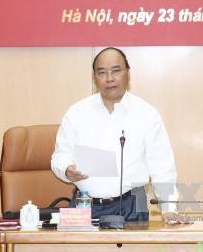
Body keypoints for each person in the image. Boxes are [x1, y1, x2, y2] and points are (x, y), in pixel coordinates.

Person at [51, 47, 183, 224]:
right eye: (102, 72)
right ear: (94, 77)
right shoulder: (76, 113)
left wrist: (169, 208)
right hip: (84, 205)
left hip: (132, 205)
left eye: (116, 71)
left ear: (127, 73)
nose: (109, 78)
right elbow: (60, 155)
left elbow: (162, 167)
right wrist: (66, 169)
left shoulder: (147, 115)